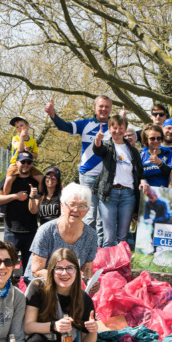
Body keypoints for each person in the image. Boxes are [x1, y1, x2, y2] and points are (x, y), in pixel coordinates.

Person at [45, 95, 111, 244]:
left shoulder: (114, 127)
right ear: (95, 107)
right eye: (101, 106)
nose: (104, 109)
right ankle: (84, 247)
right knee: (89, 214)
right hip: (88, 176)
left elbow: (136, 136)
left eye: (107, 106)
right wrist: (53, 115)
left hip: (107, 177)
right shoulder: (85, 124)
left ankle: (99, 252)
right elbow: (66, 126)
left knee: (103, 217)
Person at [28, 183, 99, 282]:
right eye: (72, 204)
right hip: (43, 285)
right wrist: (66, 276)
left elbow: (87, 269)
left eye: (81, 206)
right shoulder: (46, 231)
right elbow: (37, 271)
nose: (76, 209)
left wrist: (90, 282)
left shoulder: (91, 235)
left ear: (87, 210)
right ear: (62, 206)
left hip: (70, 285)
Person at [93, 114, 144, 247]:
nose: (117, 131)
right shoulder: (107, 146)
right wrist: (97, 141)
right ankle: (107, 267)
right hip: (109, 194)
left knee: (122, 238)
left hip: (128, 195)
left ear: (125, 129)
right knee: (109, 237)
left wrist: (143, 181)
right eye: (114, 127)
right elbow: (98, 150)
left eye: (120, 128)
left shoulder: (133, 151)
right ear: (109, 129)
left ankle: (120, 267)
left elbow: (139, 172)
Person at [0, 150, 42, 272]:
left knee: (30, 268)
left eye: (29, 162)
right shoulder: (8, 178)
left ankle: (28, 289)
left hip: (31, 231)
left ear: (32, 164)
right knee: (7, 266)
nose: (26, 164)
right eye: (23, 161)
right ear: (17, 162)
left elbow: (40, 202)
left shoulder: (36, 181)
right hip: (11, 230)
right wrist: (15, 196)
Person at [140, 125, 172, 189]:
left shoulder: (168, 153)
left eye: (159, 138)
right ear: (146, 140)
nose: (156, 141)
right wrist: (142, 181)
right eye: (152, 138)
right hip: (148, 194)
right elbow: (138, 176)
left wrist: (160, 163)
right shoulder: (142, 156)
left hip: (165, 193)